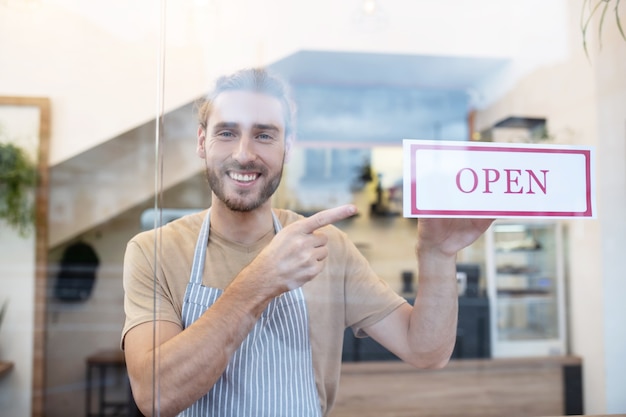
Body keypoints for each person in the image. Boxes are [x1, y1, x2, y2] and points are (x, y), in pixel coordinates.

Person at [121, 67, 494, 417]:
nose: (244, 153)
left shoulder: (329, 247)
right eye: (227, 132)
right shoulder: (153, 251)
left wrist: (438, 254)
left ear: (288, 145)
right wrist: (260, 281)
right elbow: (156, 396)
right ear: (203, 141)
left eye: (264, 135)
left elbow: (425, 350)